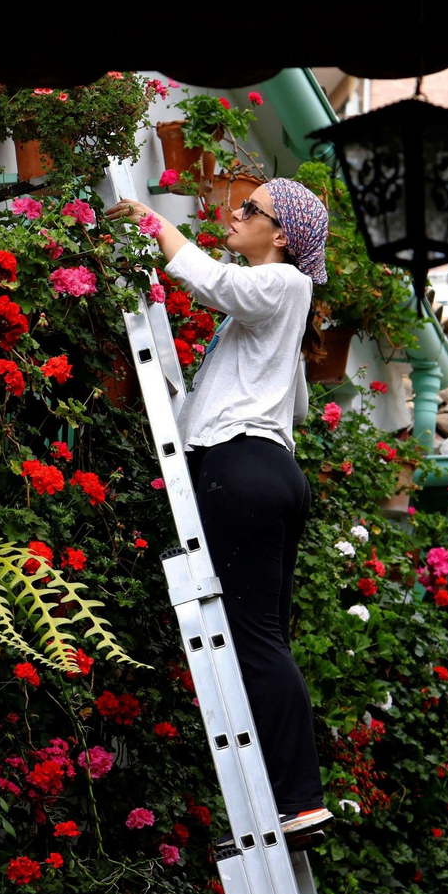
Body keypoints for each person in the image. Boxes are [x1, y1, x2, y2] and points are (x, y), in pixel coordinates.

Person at [106, 180, 334, 840]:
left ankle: (300, 799)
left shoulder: (286, 285)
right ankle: (290, 795)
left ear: (283, 235)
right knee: (266, 640)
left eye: (250, 210)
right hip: (270, 470)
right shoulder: (274, 313)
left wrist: (156, 226)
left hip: (243, 469)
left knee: (255, 640)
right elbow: (291, 406)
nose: (234, 214)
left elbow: (213, 282)